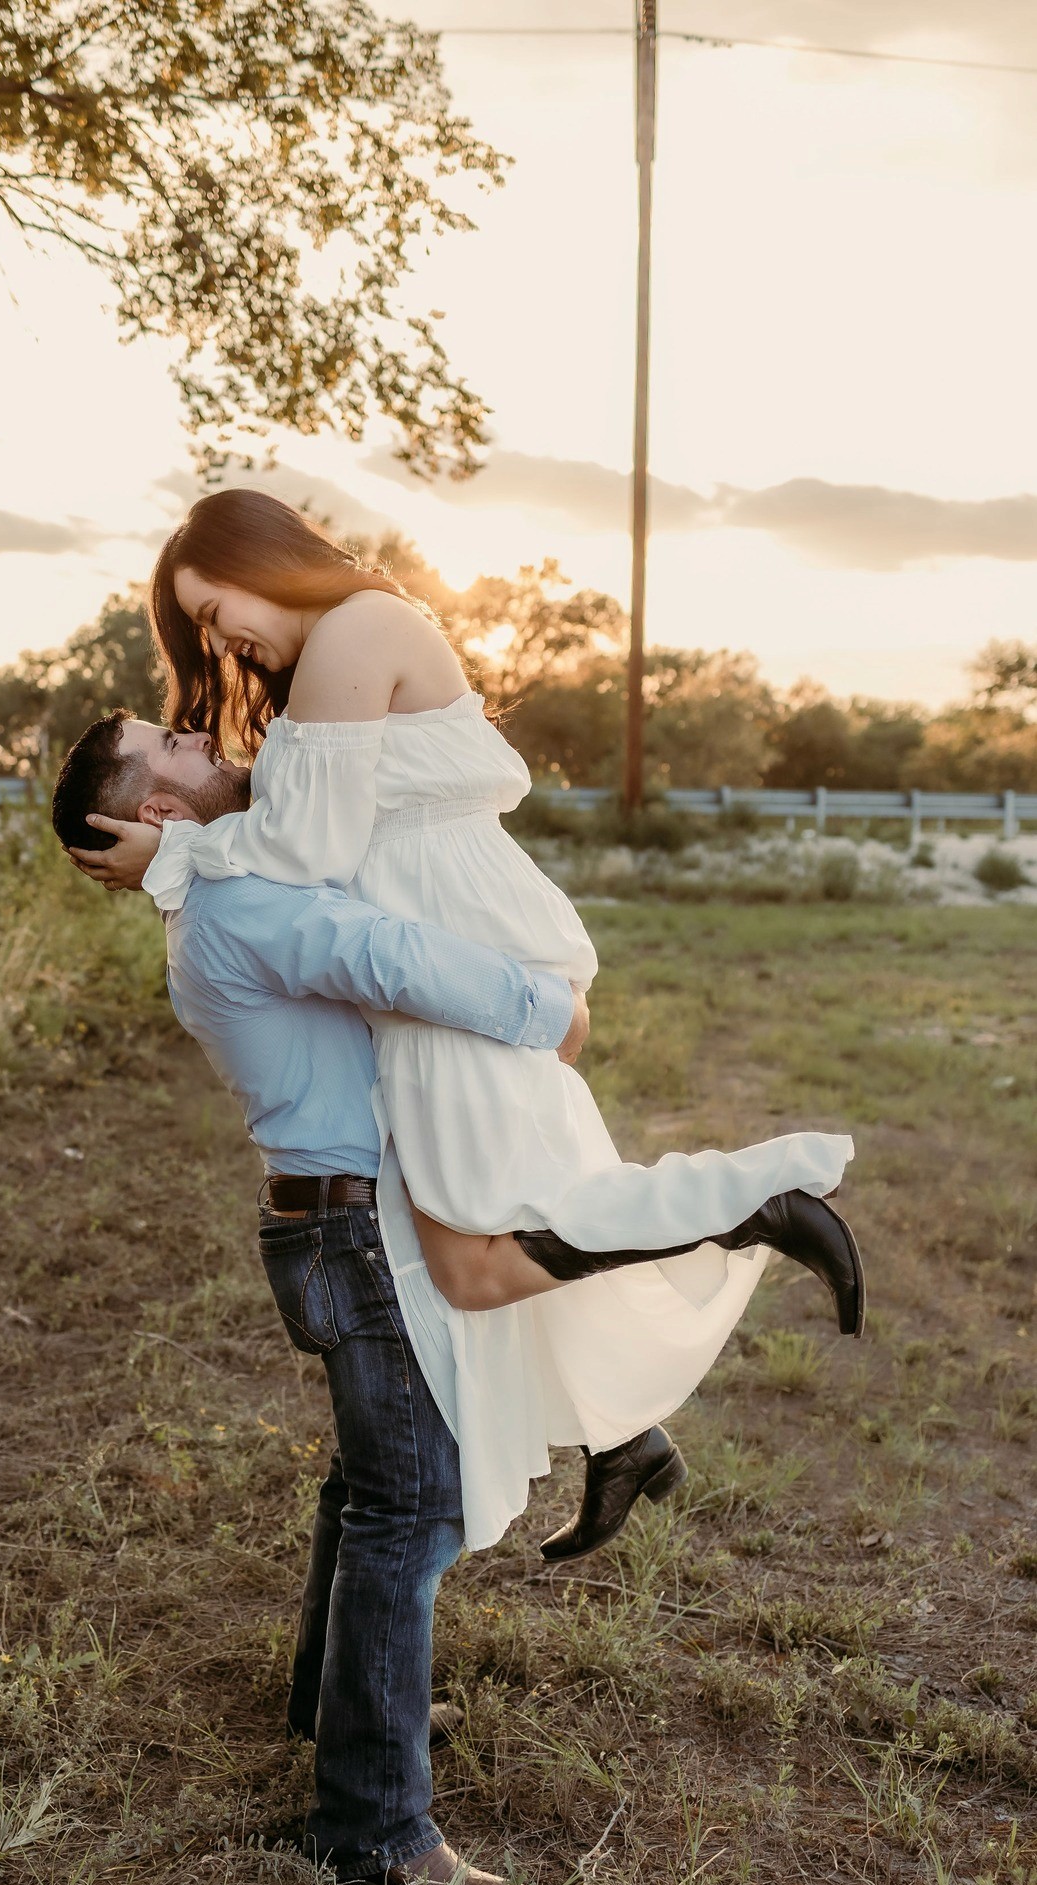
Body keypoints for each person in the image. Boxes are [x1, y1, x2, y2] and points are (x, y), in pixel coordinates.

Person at [67, 490, 864, 1560]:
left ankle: (752, 1201)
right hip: (427, 960)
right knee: (480, 1248)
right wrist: (177, 851)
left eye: (214, 611)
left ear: (264, 559)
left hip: (450, 949)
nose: (217, 644)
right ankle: (625, 1434)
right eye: (201, 630)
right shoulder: (319, 671)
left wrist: (169, 858)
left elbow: (308, 849)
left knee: (481, 1254)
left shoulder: (353, 629)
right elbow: (290, 832)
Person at [52, 711, 640, 1885]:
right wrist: (549, 1014)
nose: (205, 735)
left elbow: (297, 836)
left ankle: (339, 1708)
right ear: (161, 809)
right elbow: (383, 953)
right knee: (408, 1504)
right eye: (174, 742)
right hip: (352, 1230)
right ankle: (372, 1826)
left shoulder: (216, 886)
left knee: (370, 1483)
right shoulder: (235, 906)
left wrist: (170, 847)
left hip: (332, 1222)